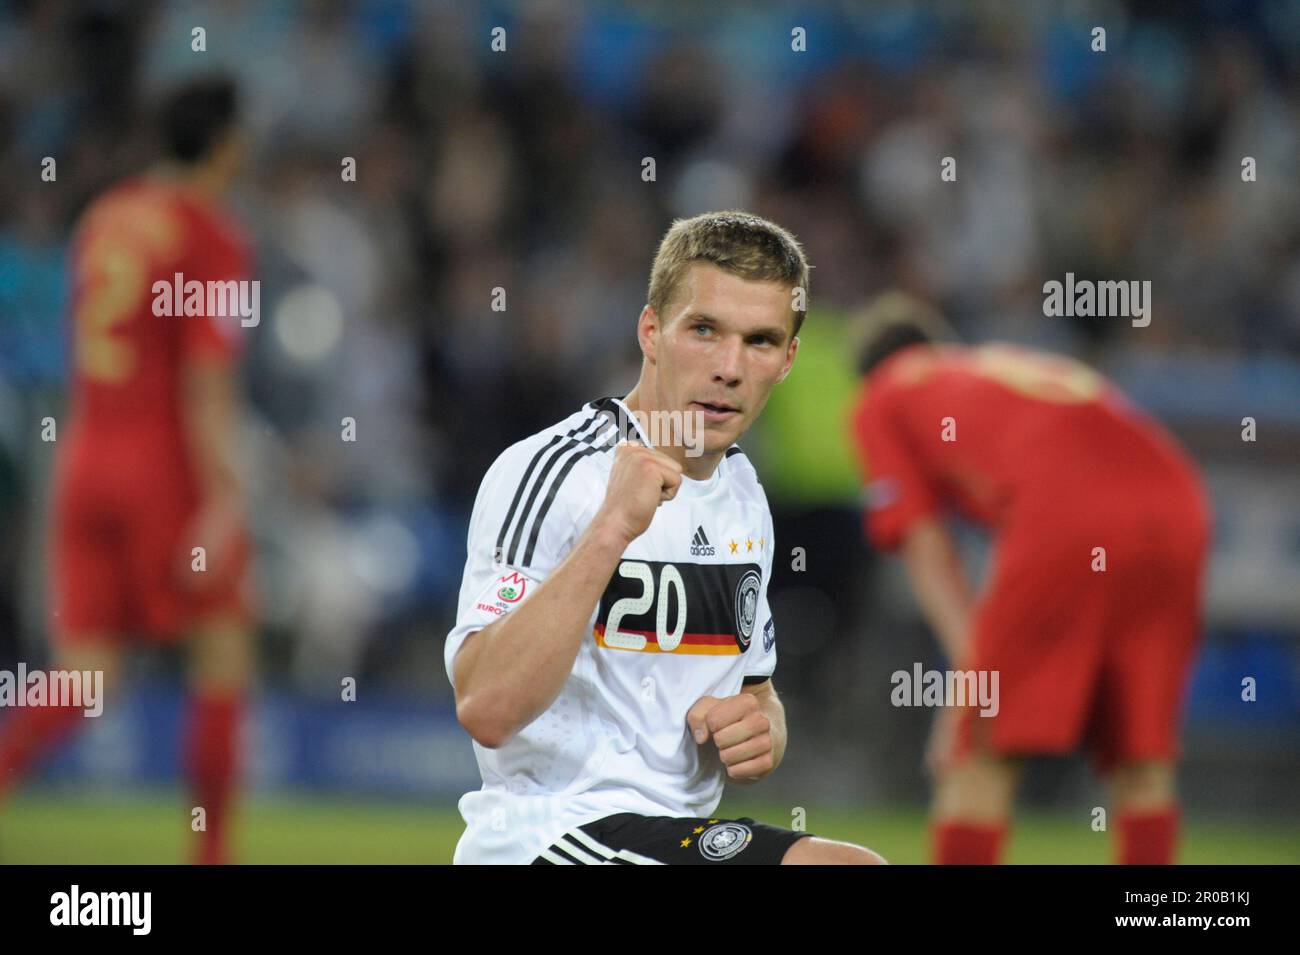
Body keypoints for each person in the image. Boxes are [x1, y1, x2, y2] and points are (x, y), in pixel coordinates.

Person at [446, 211, 886, 864]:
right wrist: (610, 532)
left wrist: (766, 728)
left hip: (668, 834)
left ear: (788, 358)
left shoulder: (743, 497)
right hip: (548, 834)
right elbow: (485, 705)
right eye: (704, 330)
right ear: (651, 331)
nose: (730, 367)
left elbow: (756, 687)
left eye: (760, 341)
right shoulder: (557, 471)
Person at [847, 291, 1211, 865]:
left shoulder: (883, 394)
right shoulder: (997, 367)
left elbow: (924, 544)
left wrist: (972, 676)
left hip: (1070, 515)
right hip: (1180, 504)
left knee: (984, 746)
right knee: (1141, 749)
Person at [0, 76, 255, 865]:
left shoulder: (103, 218)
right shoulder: (214, 237)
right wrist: (225, 495)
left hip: (84, 460)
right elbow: (204, 382)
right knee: (222, 652)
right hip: (163, 469)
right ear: (225, 144)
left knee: (85, 674)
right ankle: (209, 858)